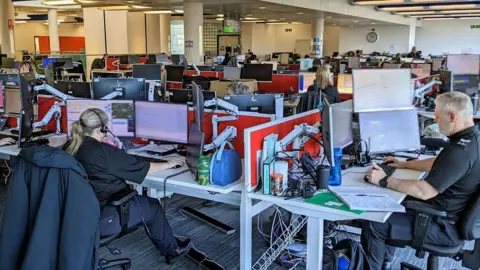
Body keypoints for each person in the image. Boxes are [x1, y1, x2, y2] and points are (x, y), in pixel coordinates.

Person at [362, 92, 480, 270]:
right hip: (450, 215)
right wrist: (404, 164)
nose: (435, 119)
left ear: (452, 117)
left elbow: (425, 191)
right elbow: (439, 163)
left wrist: (385, 180)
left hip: (443, 226)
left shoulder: (460, 152)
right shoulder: (471, 139)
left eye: (437, 116)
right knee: (390, 204)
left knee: (374, 222)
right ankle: (385, 262)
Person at [64, 108, 191, 264]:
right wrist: (168, 164)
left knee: (141, 203)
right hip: (103, 216)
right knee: (152, 206)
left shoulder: (69, 146)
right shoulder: (103, 152)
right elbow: (143, 168)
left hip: (75, 214)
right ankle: (172, 250)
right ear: (101, 129)